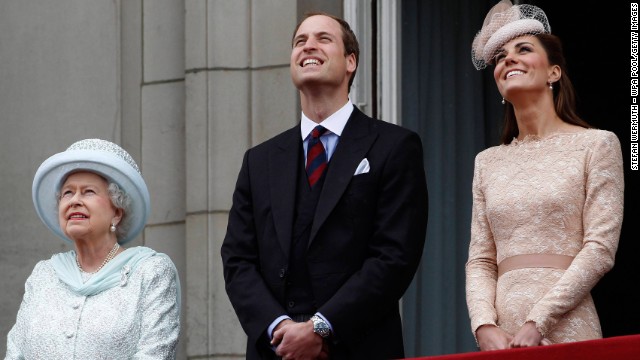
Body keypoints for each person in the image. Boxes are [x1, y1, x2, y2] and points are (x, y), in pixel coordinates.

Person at [221, 11, 428, 360]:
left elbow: (394, 256)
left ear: (351, 61)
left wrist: (322, 327)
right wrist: (278, 327)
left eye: (322, 39)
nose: (308, 47)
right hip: (276, 350)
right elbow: (238, 259)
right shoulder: (259, 161)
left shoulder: (394, 146)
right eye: (300, 41)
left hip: (359, 347)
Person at [465, 0, 624, 351]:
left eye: (523, 49)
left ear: (554, 72)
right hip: (501, 335)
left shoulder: (596, 144)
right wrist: (484, 326)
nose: (509, 59)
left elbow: (600, 248)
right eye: (500, 56)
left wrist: (540, 319)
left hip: (568, 324)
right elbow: (480, 259)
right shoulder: (487, 162)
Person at [5, 138, 181, 359]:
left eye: (88, 191)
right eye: (67, 193)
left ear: (117, 211)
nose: (74, 200)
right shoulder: (43, 275)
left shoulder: (149, 272)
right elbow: (15, 353)